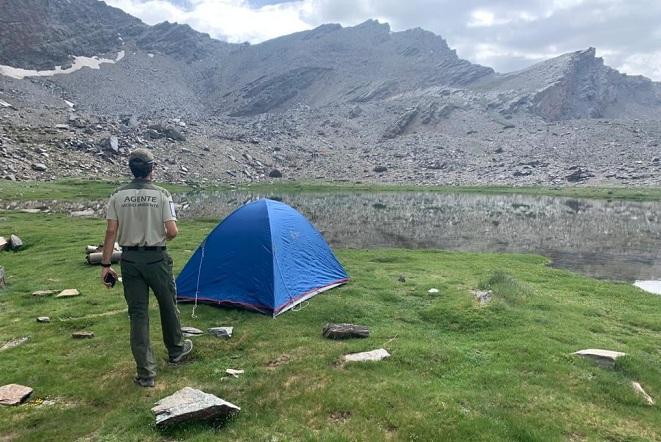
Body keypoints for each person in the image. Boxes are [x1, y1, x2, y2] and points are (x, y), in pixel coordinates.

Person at [100, 148, 192, 388]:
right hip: (157, 258)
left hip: (130, 260)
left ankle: (146, 373)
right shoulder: (162, 194)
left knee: (138, 314)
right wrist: (158, 237)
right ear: (152, 168)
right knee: (168, 305)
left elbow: (111, 232)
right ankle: (176, 351)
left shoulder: (117, 195)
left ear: (132, 169)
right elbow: (172, 231)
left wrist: (106, 264)